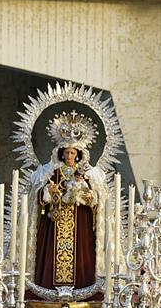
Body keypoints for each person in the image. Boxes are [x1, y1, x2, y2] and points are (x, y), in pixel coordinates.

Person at [28, 115, 107, 297]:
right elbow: (39, 196)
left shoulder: (86, 175)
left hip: (80, 222)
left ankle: (81, 289)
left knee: (81, 254)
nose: (69, 156)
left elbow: (96, 198)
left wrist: (86, 195)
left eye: (73, 153)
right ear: (61, 152)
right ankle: (50, 288)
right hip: (55, 222)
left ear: (78, 154)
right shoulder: (53, 173)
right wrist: (51, 192)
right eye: (67, 152)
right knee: (52, 255)